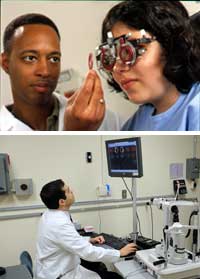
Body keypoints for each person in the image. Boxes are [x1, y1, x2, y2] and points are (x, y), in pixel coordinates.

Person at [0, 13, 122, 131]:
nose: (45, 71)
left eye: (54, 59)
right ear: (5, 63)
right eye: (30, 58)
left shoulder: (107, 122)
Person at [96, 1, 200, 131]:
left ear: (171, 45)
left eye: (131, 50)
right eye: (110, 57)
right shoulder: (134, 126)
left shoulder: (195, 107)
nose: (117, 68)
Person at [35, 179, 137, 279]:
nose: (72, 191)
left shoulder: (50, 214)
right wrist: (119, 253)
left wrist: (89, 240)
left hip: (55, 268)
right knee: (114, 277)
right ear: (62, 201)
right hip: (61, 274)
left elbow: (66, 240)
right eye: (69, 191)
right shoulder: (59, 223)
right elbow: (88, 252)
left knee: (99, 267)